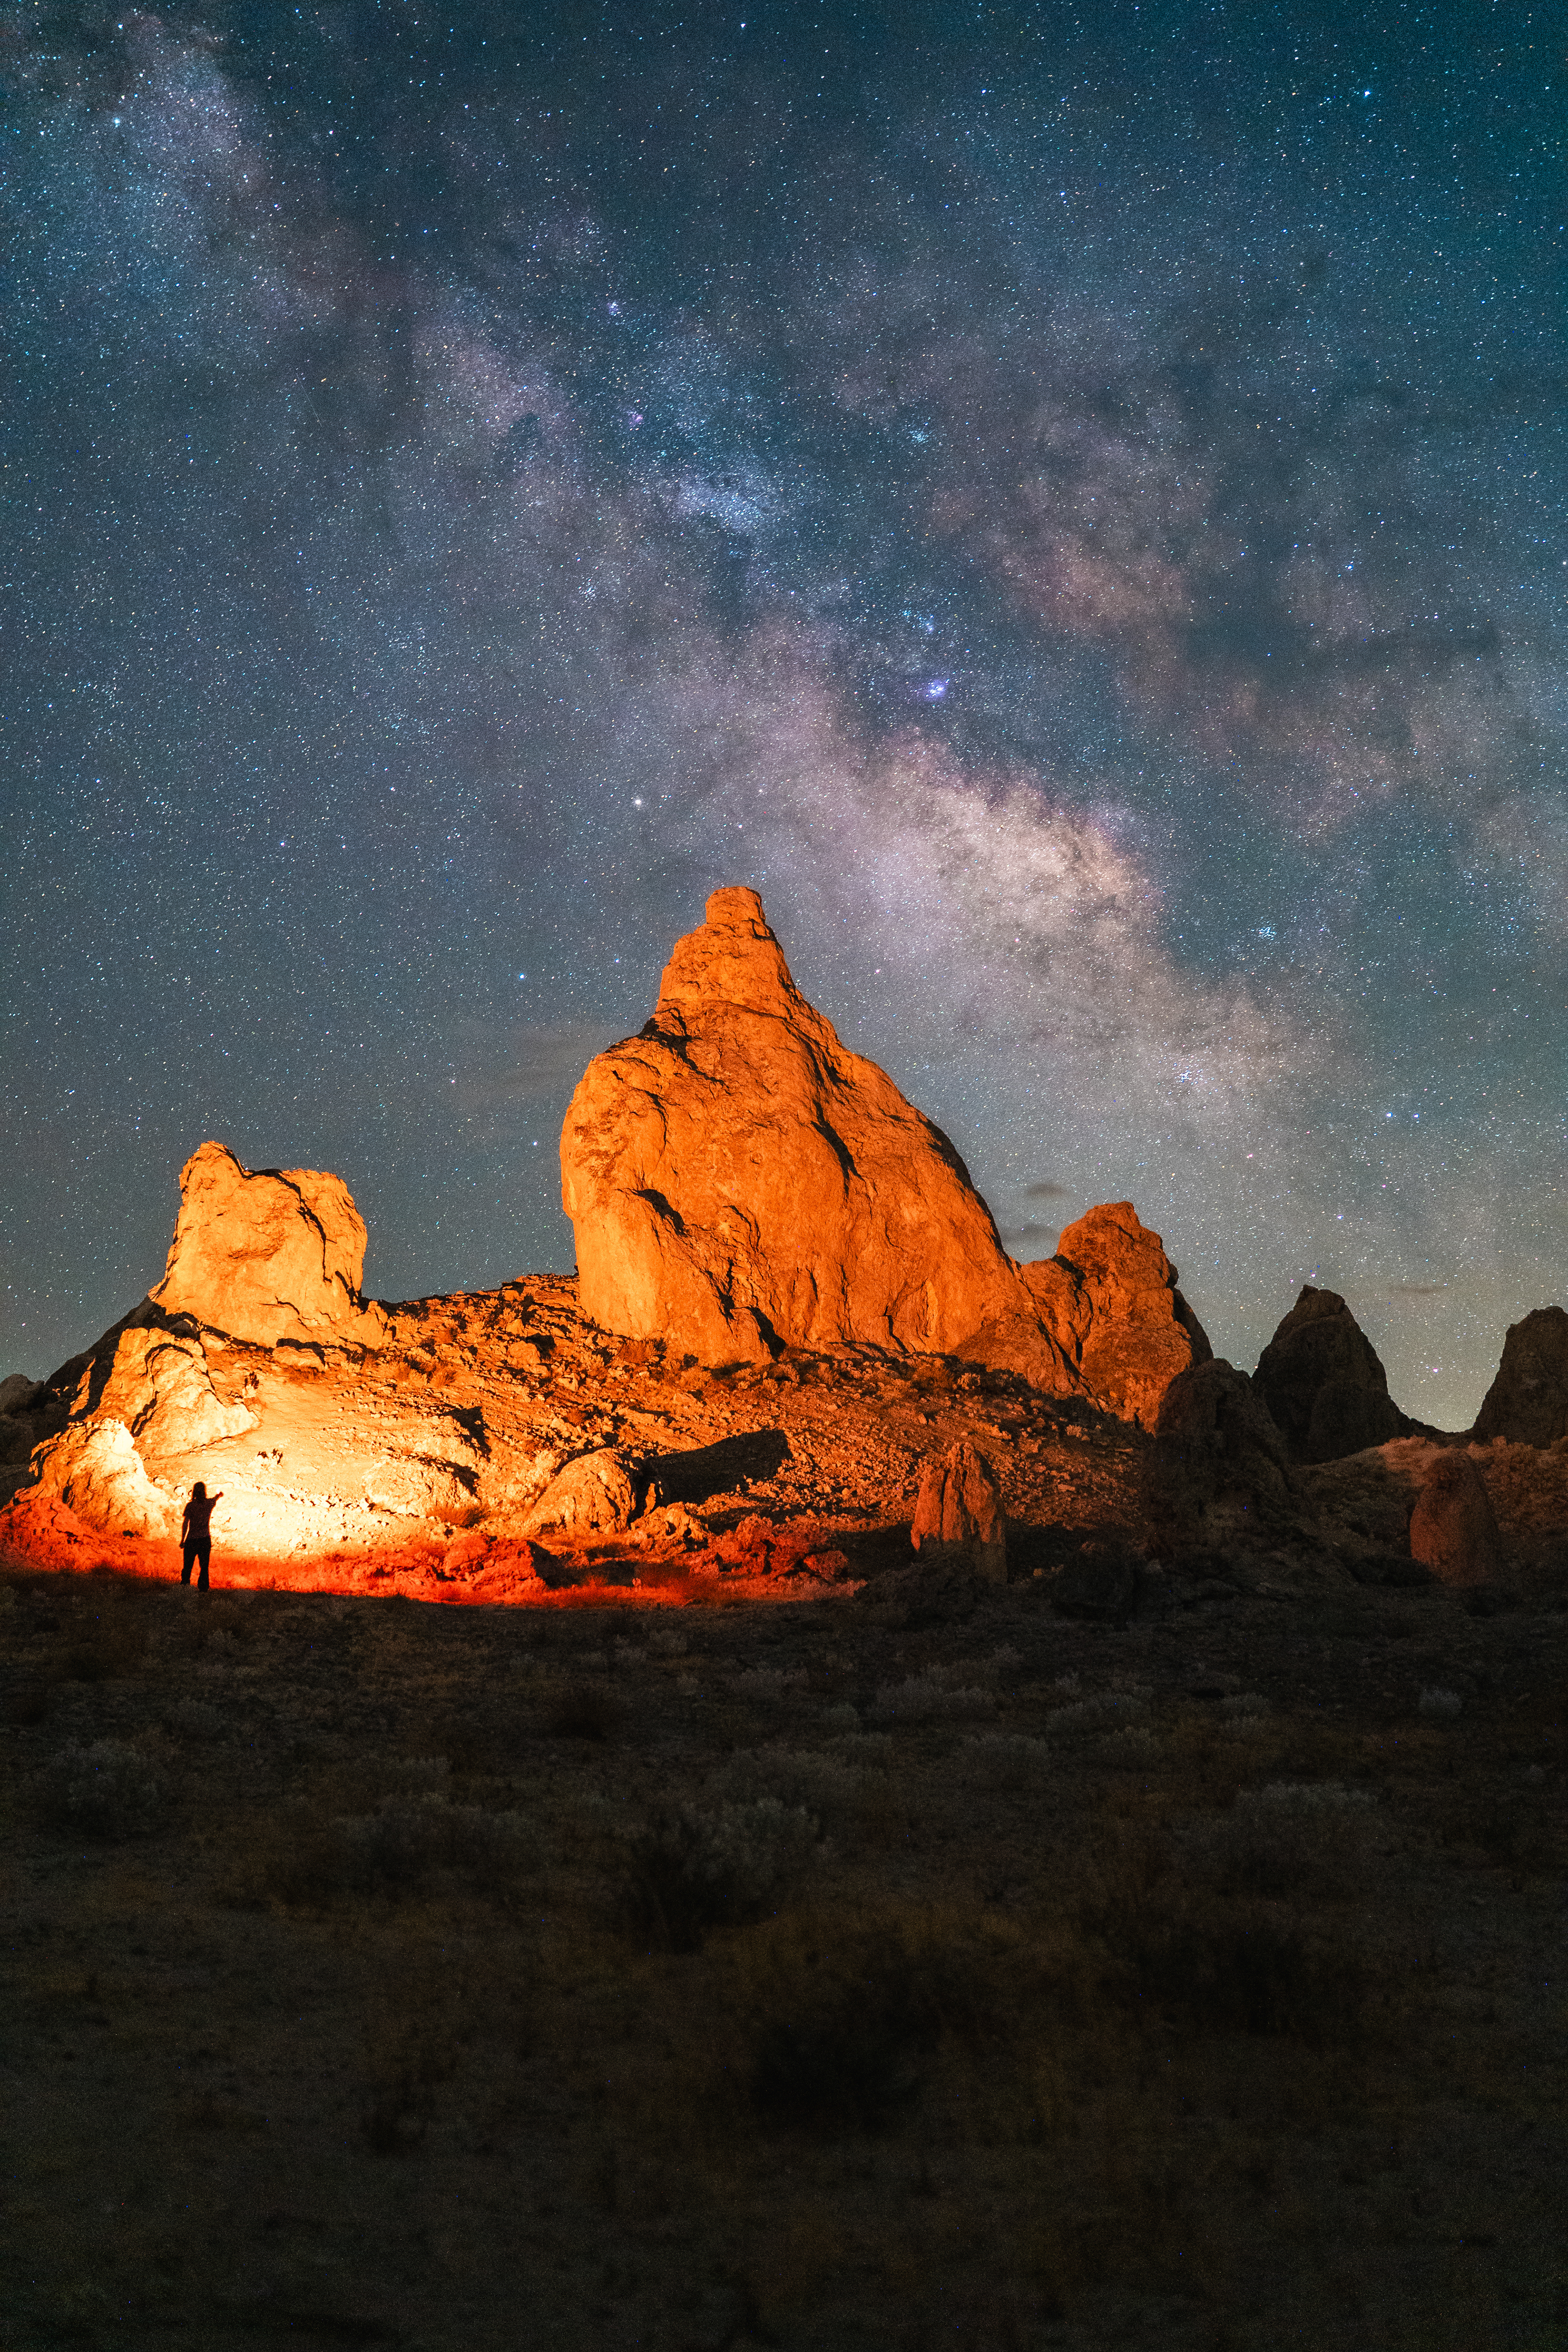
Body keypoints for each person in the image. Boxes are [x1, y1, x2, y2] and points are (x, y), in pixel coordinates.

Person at [180, 1481, 223, 1591]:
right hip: (205, 1539)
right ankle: (203, 1590)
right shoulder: (209, 1504)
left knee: (187, 1566)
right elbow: (215, 1499)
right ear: (204, 1491)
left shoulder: (191, 1506)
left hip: (191, 1539)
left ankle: (185, 1589)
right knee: (204, 1567)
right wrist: (219, 1495)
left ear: (194, 1492)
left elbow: (186, 1523)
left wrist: (183, 1540)